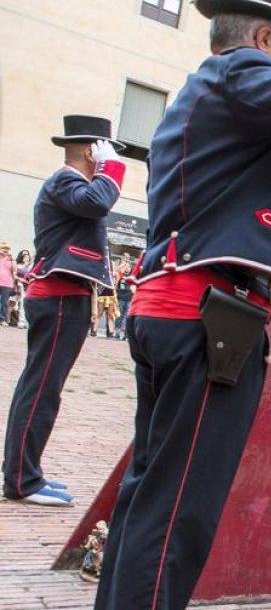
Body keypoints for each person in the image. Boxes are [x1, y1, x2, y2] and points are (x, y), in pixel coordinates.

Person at [93, 0, 271, 610]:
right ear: (262, 39)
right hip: (207, 321)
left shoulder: (200, 90)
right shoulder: (241, 72)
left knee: (148, 495)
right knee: (176, 518)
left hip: (174, 308)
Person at [2, 115, 127, 507]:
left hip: (63, 297)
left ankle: (25, 473)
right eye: (104, 151)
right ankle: (22, 480)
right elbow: (98, 203)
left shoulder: (71, 183)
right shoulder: (66, 180)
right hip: (57, 297)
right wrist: (112, 168)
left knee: (42, 388)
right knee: (42, 389)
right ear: (93, 151)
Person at [13, 249, 32, 328]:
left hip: (30, 286)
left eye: (28, 257)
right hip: (21, 286)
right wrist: (21, 280)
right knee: (21, 304)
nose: (26, 258)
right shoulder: (19, 266)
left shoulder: (31, 266)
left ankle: (27, 322)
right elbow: (15, 276)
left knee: (29, 305)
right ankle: (21, 321)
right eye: (25, 257)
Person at [0, 244, 15, 322]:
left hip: (7, 284)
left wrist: (11, 259)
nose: (5, 250)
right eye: (4, 249)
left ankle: (2, 319)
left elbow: (14, 271)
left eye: (7, 249)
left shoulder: (11, 260)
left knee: (4, 302)